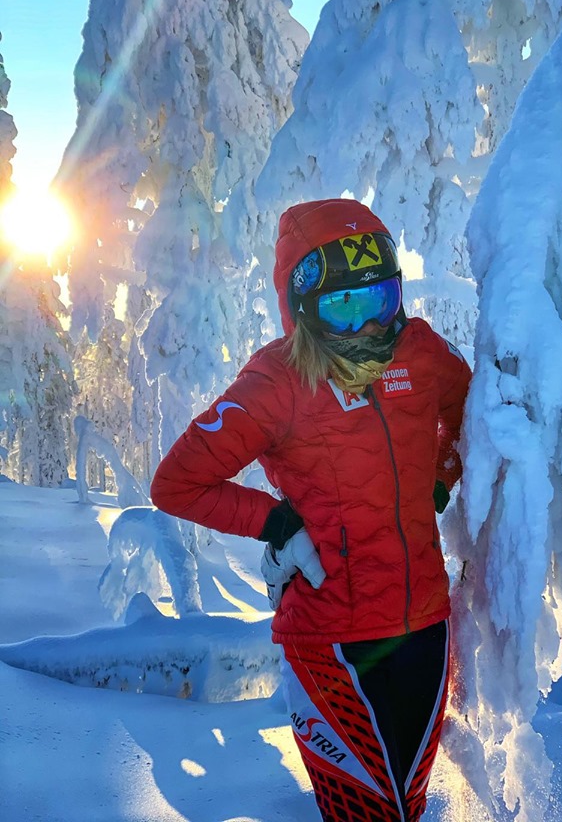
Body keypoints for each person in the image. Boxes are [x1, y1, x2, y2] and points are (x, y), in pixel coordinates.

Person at [151, 198, 471, 822]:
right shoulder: (276, 382)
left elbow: (468, 416)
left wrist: (439, 477)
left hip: (426, 626)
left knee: (408, 802)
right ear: (302, 310)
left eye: (376, 301)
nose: (366, 328)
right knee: (363, 813)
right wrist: (277, 524)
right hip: (333, 644)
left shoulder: (419, 353)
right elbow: (177, 482)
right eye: (341, 308)